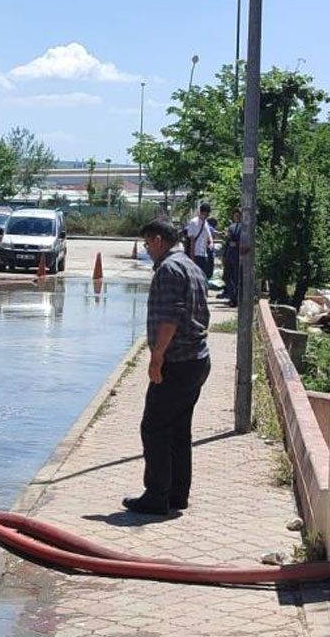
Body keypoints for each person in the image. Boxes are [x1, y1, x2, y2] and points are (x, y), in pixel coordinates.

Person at [124, 218, 212, 516]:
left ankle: (156, 495)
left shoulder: (169, 270)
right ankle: (177, 493)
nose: (147, 250)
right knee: (177, 430)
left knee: (154, 427)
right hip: (196, 359)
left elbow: (171, 318)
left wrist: (156, 356)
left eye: (148, 244)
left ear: (159, 240)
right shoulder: (189, 265)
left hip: (177, 361)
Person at [185, 203, 215, 281]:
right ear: (203, 212)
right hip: (196, 254)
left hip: (203, 254)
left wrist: (211, 243)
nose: (208, 215)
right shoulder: (193, 222)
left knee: (202, 276)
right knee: (195, 277)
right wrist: (192, 259)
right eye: (207, 213)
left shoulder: (205, 222)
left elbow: (209, 235)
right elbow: (192, 241)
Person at [221, 209, 242, 307]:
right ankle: (232, 297)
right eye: (235, 216)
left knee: (236, 277)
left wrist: (237, 244)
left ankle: (235, 298)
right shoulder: (231, 227)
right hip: (230, 254)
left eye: (238, 216)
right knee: (228, 277)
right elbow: (227, 242)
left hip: (238, 255)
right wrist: (224, 256)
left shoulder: (243, 228)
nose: (236, 218)